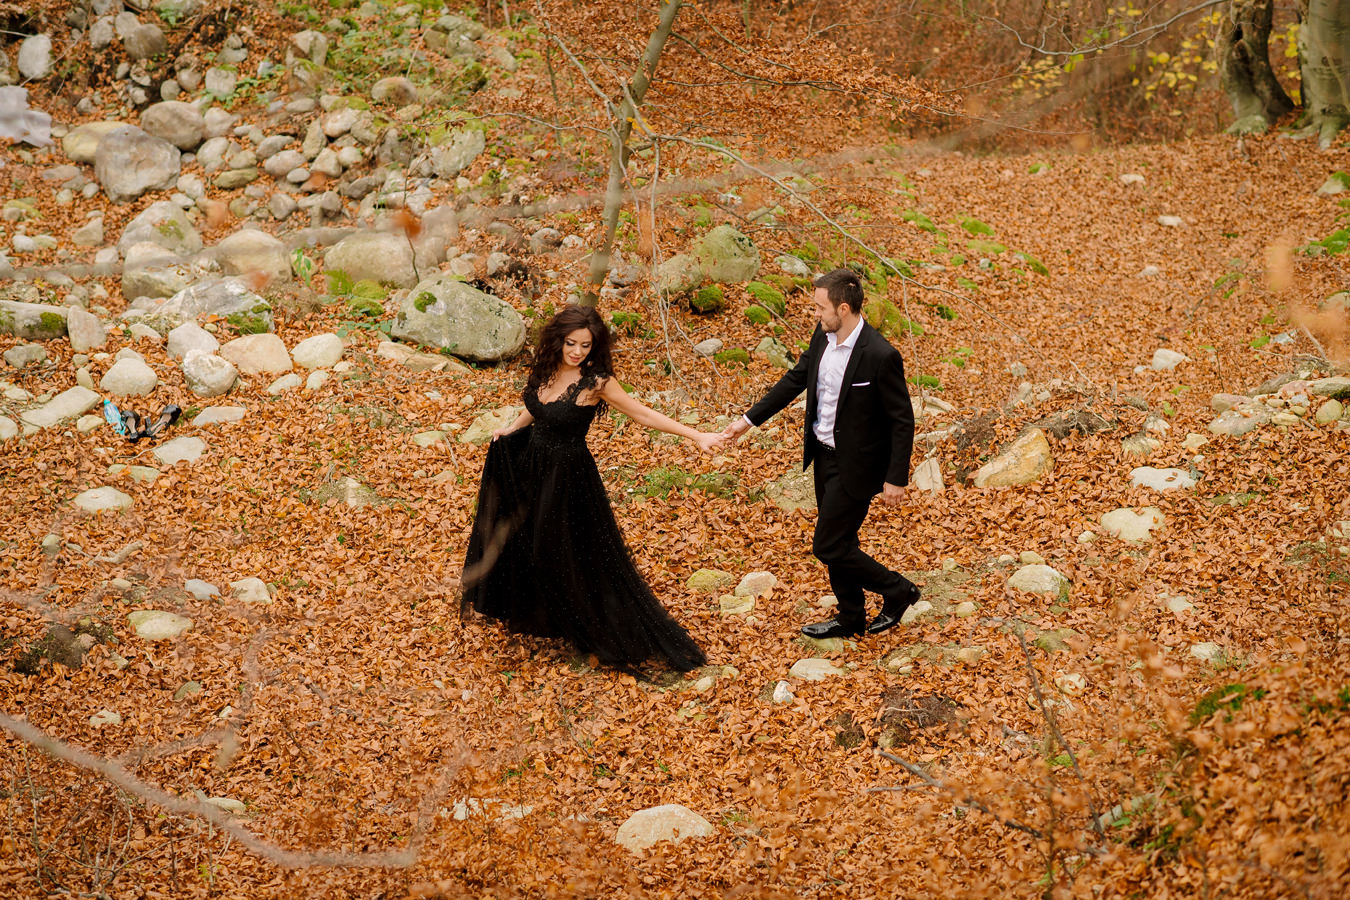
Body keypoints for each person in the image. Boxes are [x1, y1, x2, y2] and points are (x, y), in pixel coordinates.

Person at [461, 305, 724, 672]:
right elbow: (538, 408)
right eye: (571, 343)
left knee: (568, 552)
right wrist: (511, 429)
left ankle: (590, 626)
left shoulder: (597, 381)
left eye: (585, 345)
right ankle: (544, 617)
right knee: (527, 542)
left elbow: (642, 413)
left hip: (567, 477)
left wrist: (696, 435)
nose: (577, 352)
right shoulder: (547, 367)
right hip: (532, 466)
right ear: (558, 340)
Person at [722, 268, 919, 639]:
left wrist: (896, 477)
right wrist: (747, 422)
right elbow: (796, 379)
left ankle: (898, 589)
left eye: (819, 307)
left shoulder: (880, 355)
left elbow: (902, 420)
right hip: (822, 456)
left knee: (827, 545)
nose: (815, 313)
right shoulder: (823, 336)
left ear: (843, 308)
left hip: (857, 466)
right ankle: (851, 617)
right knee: (842, 542)